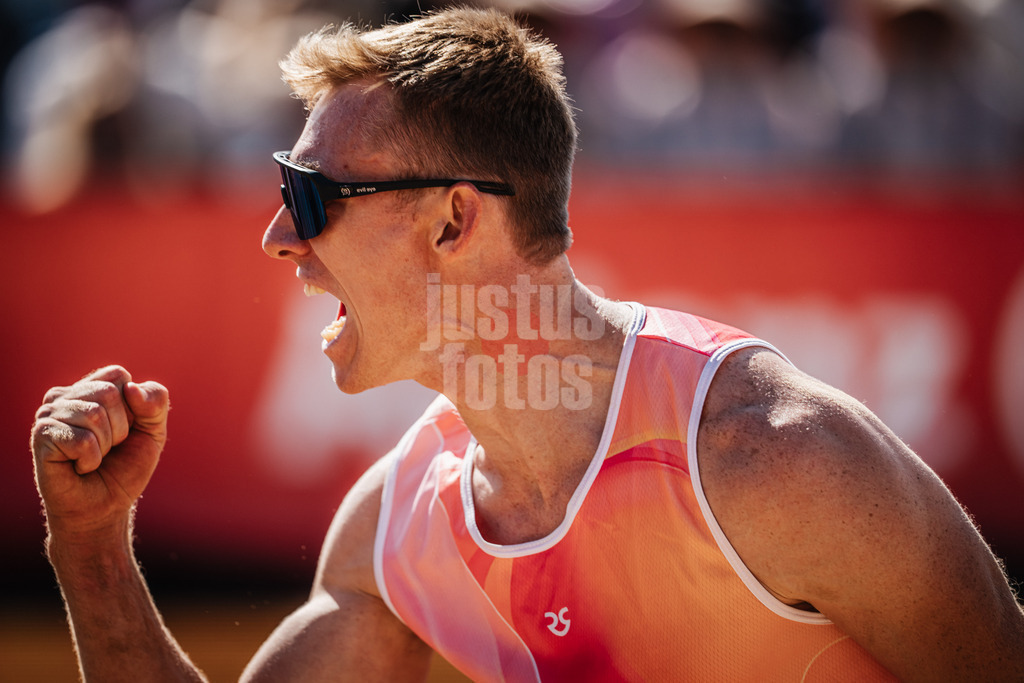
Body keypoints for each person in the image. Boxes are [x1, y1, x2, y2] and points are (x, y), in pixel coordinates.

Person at [30, 7, 1024, 682]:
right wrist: (93, 548)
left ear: (454, 220)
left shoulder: (771, 455)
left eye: (311, 194)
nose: (277, 234)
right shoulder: (398, 527)